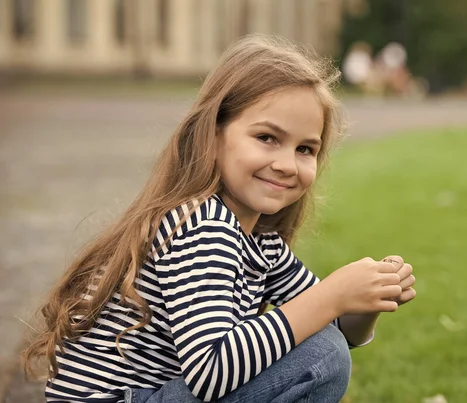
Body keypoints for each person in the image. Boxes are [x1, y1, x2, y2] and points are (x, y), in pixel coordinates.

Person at [23, 34, 416, 403]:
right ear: (213, 135)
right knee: (322, 357)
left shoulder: (260, 242)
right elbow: (211, 370)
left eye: (305, 149)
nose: (286, 164)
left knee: (325, 346)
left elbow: (334, 327)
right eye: (267, 138)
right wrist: (331, 294)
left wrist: (368, 300)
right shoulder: (202, 225)